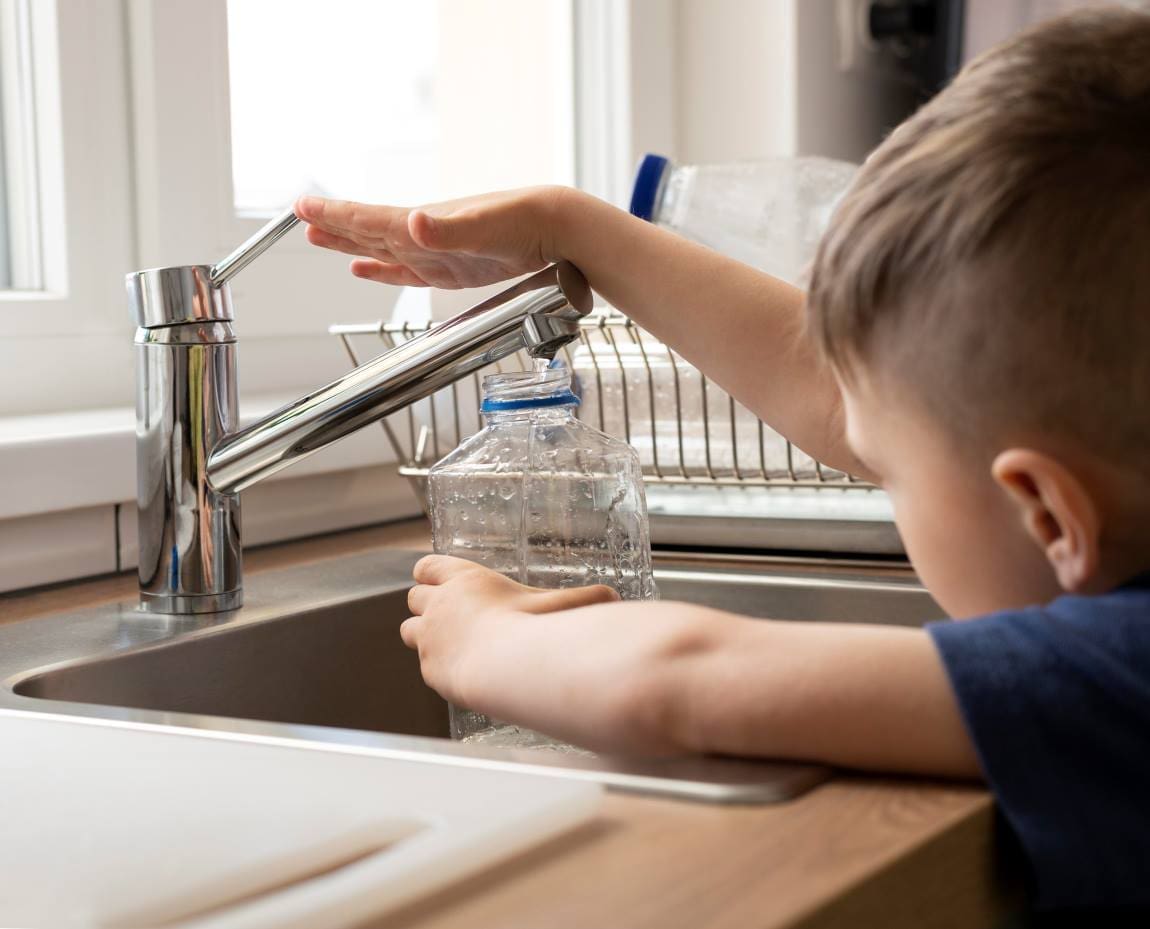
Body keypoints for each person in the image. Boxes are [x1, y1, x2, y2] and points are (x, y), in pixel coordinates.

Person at [295, 7, 1150, 919]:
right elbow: (837, 392)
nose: (857, 449)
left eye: (880, 467)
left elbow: (681, 680)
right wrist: (570, 229)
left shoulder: (1113, 673)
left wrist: (489, 639)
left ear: (1049, 516)